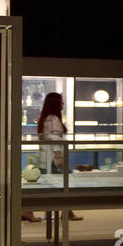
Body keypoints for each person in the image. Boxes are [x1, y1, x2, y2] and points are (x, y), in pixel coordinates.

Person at [22, 92, 81, 222]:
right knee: (60, 185)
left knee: (49, 186)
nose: (63, 104)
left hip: (46, 158)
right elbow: (54, 140)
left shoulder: (46, 118)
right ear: (55, 103)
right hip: (52, 160)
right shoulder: (53, 119)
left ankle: (66, 211)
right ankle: (65, 211)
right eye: (61, 101)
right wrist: (59, 157)